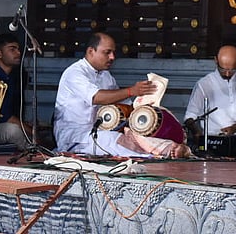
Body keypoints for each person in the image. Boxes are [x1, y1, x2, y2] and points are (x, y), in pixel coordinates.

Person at [53, 32, 191, 158]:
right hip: (76, 138)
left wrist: (142, 106)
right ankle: (164, 154)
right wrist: (132, 91)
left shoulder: (106, 76)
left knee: (135, 135)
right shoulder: (74, 73)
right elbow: (96, 97)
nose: (112, 57)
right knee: (117, 141)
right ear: (91, 51)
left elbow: (123, 104)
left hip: (102, 132)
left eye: (113, 52)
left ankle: (171, 148)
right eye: (107, 52)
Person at [184, 45, 236, 144]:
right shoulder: (205, 84)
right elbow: (190, 116)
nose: (227, 74)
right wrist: (197, 133)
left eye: (232, 70)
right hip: (214, 138)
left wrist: (235, 127)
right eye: (223, 69)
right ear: (216, 60)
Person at [0, 33, 29, 151]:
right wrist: (29, 130)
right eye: (12, 49)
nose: (18, 53)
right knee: (14, 131)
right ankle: (31, 154)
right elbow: (4, 115)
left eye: (18, 49)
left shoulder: (14, 77)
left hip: (5, 124)